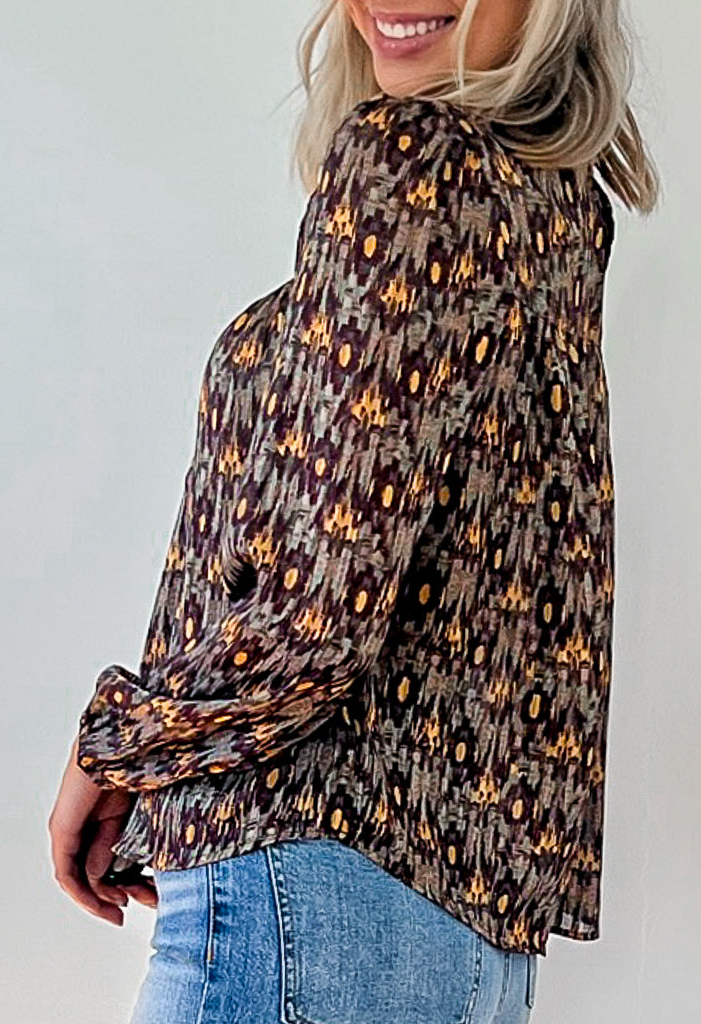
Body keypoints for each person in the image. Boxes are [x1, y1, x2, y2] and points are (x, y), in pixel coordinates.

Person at [48, 1, 659, 1022]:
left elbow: (318, 616)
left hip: (309, 892)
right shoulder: (555, 206)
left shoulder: (408, 157)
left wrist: (117, 744)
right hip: (461, 940)